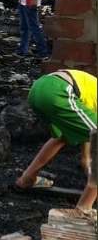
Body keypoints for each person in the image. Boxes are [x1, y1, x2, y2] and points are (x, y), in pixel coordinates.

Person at [16, 69, 97, 210]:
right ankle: (84, 209)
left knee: (62, 137)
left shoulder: (90, 100)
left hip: (38, 88)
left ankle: (26, 179)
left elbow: (86, 153)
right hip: (60, 90)